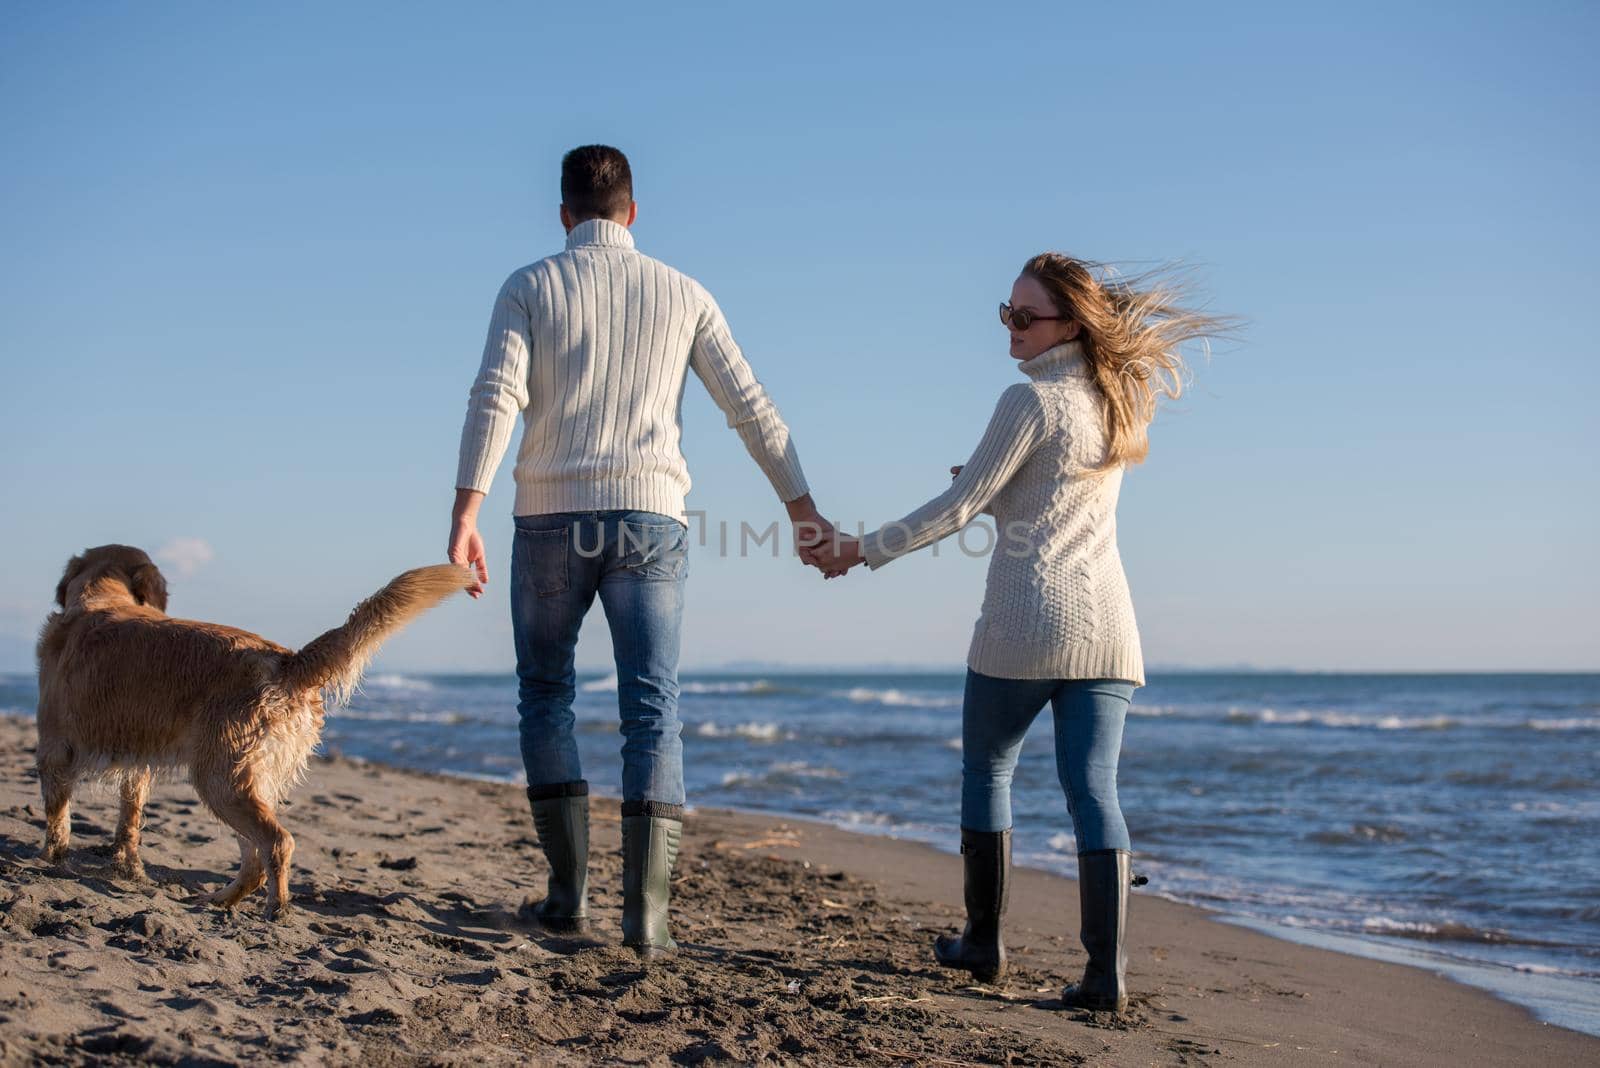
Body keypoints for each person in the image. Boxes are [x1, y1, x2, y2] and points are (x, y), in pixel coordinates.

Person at [804, 253, 1230, 1010]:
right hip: (1109, 630)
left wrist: (858, 550)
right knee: (1095, 790)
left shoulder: (1028, 399)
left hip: (1027, 622)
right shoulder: (1114, 402)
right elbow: (1046, 500)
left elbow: (957, 509)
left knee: (988, 772)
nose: (1012, 329)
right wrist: (992, 485)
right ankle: (1106, 977)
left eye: (1025, 318)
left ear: (1068, 323)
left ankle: (983, 944)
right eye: (1006, 313)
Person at [449, 145, 829, 959]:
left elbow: (497, 397)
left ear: (562, 215)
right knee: (653, 711)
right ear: (632, 211)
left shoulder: (530, 285)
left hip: (551, 516)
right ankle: (648, 921)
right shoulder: (684, 291)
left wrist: (465, 511)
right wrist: (801, 509)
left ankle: (566, 899)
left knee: (546, 695)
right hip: (651, 519)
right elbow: (751, 407)